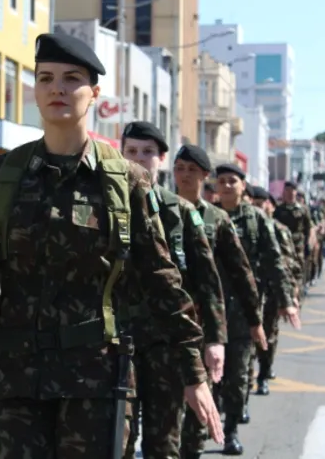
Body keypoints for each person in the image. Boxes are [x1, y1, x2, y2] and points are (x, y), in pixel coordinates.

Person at [0, 32, 223, 458]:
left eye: (71, 79)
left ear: (94, 94)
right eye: (46, 78)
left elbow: (161, 280)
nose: (57, 89)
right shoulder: (1, 177)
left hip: (97, 382)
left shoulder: (126, 181)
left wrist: (192, 372)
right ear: (35, 90)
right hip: (16, 381)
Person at [120, 121, 226, 458]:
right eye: (132, 152)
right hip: (115, 344)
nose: (139, 159)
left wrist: (214, 340)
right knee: (115, 441)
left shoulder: (181, 212)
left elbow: (207, 281)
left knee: (163, 442)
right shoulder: (103, 205)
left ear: (161, 159)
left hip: (166, 345)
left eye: (147, 152)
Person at [173, 145, 266, 459]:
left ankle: (213, 440)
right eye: (179, 168)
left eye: (192, 170)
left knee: (206, 391)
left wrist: (255, 321)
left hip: (207, 320)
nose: (184, 175)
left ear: (203, 176)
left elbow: (241, 273)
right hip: (162, 322)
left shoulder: (216, 219)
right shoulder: (155, 210)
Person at [213, 164, 300, 455]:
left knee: (238, 376)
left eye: (232, 181)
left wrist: (286, 299)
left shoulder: (257, 220)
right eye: (222, 181)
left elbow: (275, 261)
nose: (226, 186)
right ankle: (204, 426)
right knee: (207, 374)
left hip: (244, 311)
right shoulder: (203, 215)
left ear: (243, 186)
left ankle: (231, 431)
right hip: (208, 310)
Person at [247, 186, 301, 396]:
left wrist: (290, 295)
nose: (259, 208)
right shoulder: (245, 226)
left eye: (262, 204)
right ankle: (245, 382)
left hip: (272, 292)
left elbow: (289, 263)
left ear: (269, 205)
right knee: (247, 339)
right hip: (250, 291)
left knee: (268, 336)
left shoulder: (279, 230)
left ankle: (264, 374)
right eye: (255, 204)